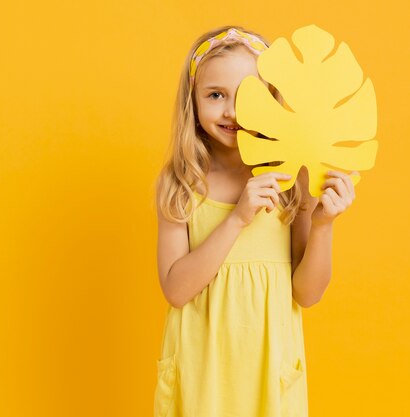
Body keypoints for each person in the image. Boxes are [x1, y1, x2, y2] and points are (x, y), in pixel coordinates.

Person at [153, 26, 357, 417]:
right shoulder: (180, 183)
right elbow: (176, 291)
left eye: (247, 96)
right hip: (201, 375)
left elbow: (308, 294)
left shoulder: (291, 179)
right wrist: (237, 218)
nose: (231, 111)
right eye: (216, 95)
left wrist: (324, 225)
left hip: (269, 375)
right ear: (192, 101)